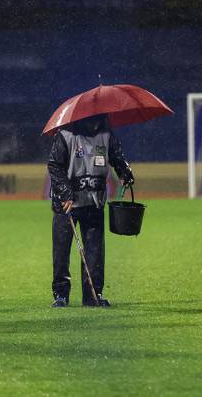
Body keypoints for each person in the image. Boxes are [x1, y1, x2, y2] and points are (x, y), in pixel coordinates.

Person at [47, 114, 134, 308]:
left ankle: (93, 295)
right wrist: (65, 193)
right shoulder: (65, 135)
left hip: (94, 202)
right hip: (66, 205)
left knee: (95, 251)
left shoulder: (106, 135)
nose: (95, 123)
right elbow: (54, 165)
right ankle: (60, 295)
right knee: (61, 251)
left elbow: (117, 157)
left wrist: (125, 172)